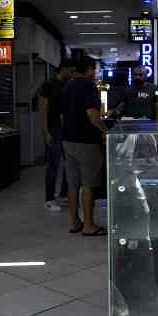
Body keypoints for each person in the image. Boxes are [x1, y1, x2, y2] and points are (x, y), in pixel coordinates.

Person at [60, 57, 107, 236]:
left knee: (73, 183)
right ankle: (88, 225)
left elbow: (62, 116)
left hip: (68, 141)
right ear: (89, 68)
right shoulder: (88, 86)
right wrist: (104, 130)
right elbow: (92, 112)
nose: (94, 73)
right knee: (88, 182)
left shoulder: (68, 86)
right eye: (93, 69)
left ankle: (75, 222)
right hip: (86, 142)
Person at [38, 60, 75, 211]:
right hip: (53, 129)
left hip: (66, 129)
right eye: (71, 71)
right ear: (64, 69)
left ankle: (63, 195)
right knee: (53, 164)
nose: (72, 74)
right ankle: (49, 199)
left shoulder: (67, 85)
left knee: (69, 164)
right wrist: (45, 131)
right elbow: (43, 109)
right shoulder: (48, 84)